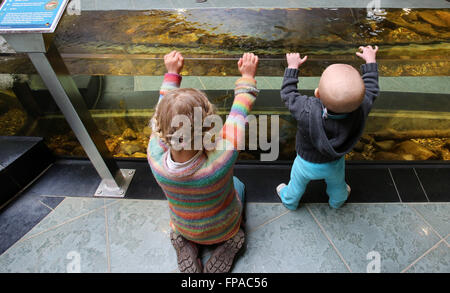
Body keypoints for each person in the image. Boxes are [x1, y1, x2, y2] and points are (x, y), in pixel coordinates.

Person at [147, 50, 259, 273]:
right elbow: (239, 113)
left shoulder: (154, 156)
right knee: (238, 185)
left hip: (184, 224)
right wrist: (247, 76)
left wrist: (171, 74)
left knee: (182, 219)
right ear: (209, 126)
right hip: (223, 227)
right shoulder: (221, 159)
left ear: (160, 129)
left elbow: (162, 111)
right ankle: (230, 242)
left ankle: (183, 241)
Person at [276, 46, 380, 210]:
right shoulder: (362, 108)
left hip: (305, 163)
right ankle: (338, 200)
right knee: (338, 184)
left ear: (317, 93)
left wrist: (292, 67)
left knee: (296, 183)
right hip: (334, 163)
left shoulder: (306, 109)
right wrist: (371, 61)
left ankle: (290, 201)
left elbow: (288, 93)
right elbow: (373, 88)